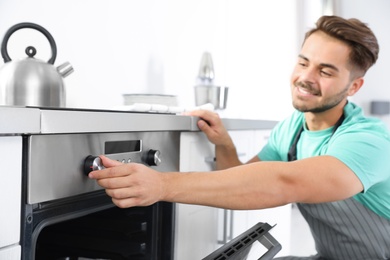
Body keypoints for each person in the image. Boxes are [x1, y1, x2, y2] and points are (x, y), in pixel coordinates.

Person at [88, 15, 390, 259]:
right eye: (303, 62)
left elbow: (285, 182)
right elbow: (242, 180)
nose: (306, 78)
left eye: (325, 71)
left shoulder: (368, 140)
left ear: (353, 87)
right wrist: (224, 142)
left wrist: (162, 185)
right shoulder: (293, 128)